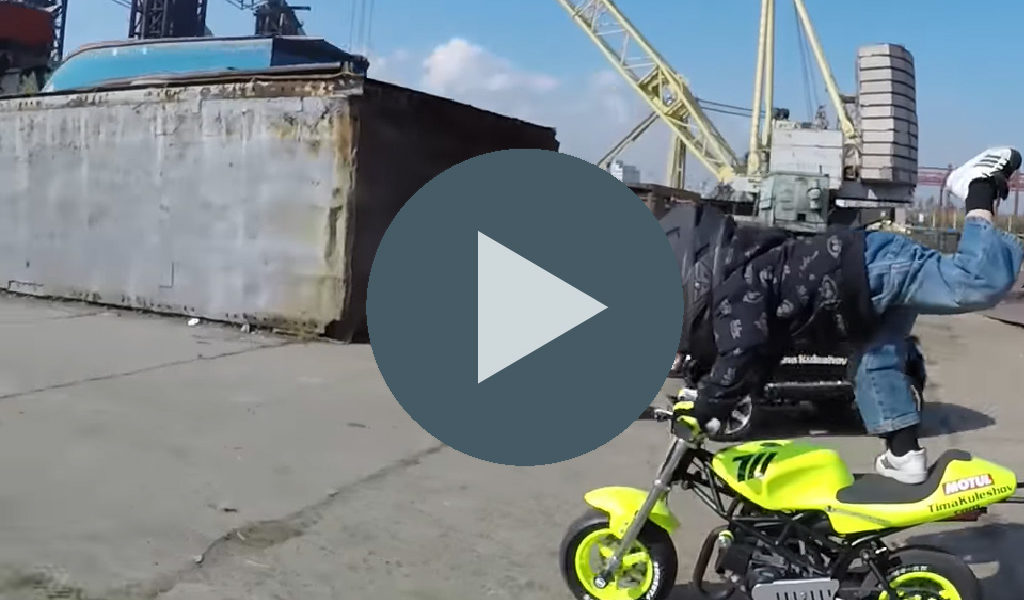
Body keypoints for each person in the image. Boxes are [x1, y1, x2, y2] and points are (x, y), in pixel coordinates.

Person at [668, 146, 1024, 484]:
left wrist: (709, 405)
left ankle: (978, 185)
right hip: (860, 298)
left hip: (869, 265)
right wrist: (712, 396)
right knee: (873, 366)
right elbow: (758, 359)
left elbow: (743, 349)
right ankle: (904, 456)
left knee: (974, 282)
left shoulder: (737, 285)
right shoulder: (740, 281)